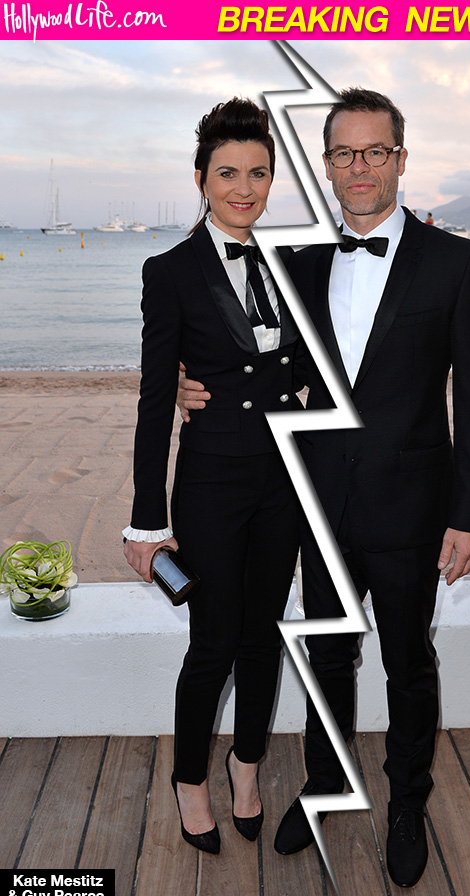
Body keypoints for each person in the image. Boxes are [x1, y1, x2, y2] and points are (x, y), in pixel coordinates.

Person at [179, 88, 470, 888]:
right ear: (325, 164)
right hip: (317, 506)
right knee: (326, 655)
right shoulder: (294, 264)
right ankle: (324, 784)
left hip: (412, 506)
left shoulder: (458, 263)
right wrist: (190, 383)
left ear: (401, 158)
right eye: (344, 153)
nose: (360, 167)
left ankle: (406, 804)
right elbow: (244, 350)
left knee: (408, 663)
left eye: (375, 151)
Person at [123, 98, 304, 856]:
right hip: (209, 485)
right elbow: (154, 397)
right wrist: (146, 519)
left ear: (272, 180)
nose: (243, 188)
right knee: (213, 642)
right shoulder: (169, 271)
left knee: (264, 637)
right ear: (200, 178)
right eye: (227, 173)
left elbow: (317, 362)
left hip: (283, 482)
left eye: (257, 173)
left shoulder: (297, 262)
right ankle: (190, 778)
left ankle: (247, 763)